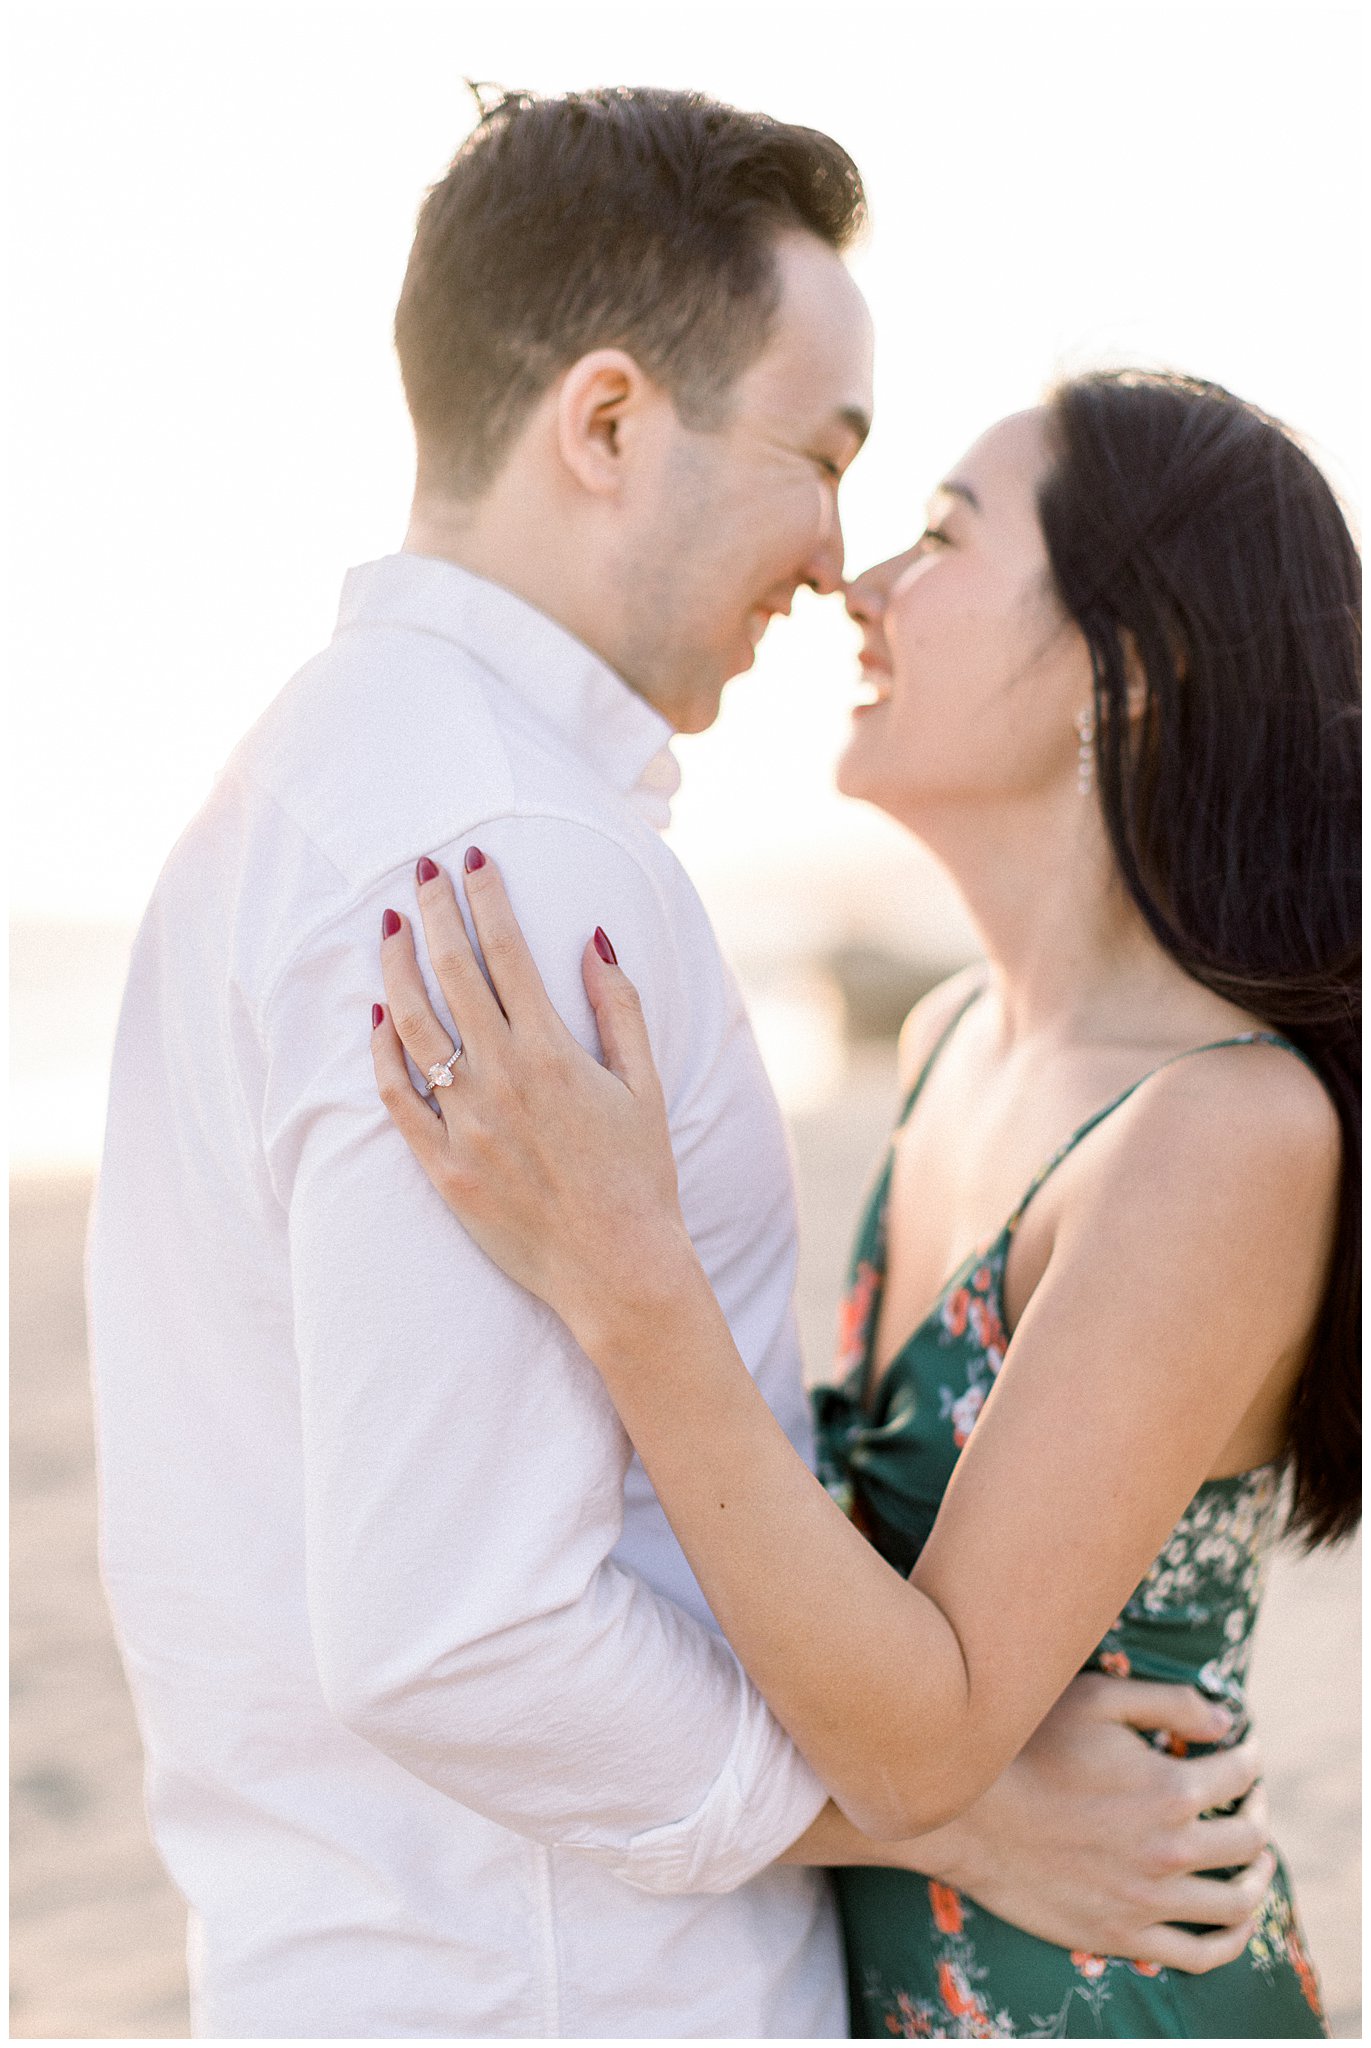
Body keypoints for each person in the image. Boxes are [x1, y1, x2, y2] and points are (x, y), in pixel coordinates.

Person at [87, 85, 1272, 2039]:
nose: (834, 560)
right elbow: (459, 1634)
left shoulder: (300, 791)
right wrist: (946, 1813)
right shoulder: (509, 865)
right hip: (570, 1991)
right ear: (610, 422)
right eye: (823, 453)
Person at [370, 369, 1359, 2037]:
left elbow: (920, 1734)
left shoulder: (1225, 1134)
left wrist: (626, 1268)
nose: (859, 581)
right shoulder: (952, 1038)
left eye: (944, 538)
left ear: (1135, 668)